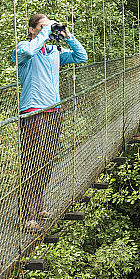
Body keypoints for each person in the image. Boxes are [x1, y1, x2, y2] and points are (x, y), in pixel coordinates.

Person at [13, 13, 88, 232]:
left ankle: (38, 207)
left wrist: (67, 35)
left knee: (46, 159)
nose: (47, 30)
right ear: (32, 30)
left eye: (49, 27)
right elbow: (28, 51)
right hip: (33, 110)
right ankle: (27, 216)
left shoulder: (54, 52)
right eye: (42, 26)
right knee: (32, 161)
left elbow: (81, 56)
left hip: (54, 110)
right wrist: (45, 31)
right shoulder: (24, 49)